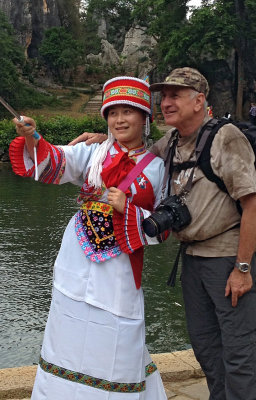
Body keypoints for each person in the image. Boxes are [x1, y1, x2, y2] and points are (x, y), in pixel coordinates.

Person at [73, 67, 256, 400]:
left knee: (238, 351)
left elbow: (253, 205)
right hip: (191, 257)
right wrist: (104, 139)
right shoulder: (173, 140)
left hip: (226, 258)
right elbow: (137, 154)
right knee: (206, 345)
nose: (166, 102)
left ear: (199, 100)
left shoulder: (225, 136)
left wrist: (243, 268)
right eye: (164, 95)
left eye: (176, 94)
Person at [9, 76, 167, 400]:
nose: (119, 120)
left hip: (120, 269)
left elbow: (165, 226)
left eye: (128, 112)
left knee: (119, 334)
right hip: (75, 260)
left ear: (144, 117)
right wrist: (32, 137)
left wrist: (131, 210)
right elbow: (57, 160)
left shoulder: (158, 168)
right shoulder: (94, 153)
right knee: (68, 329)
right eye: (113, 113)